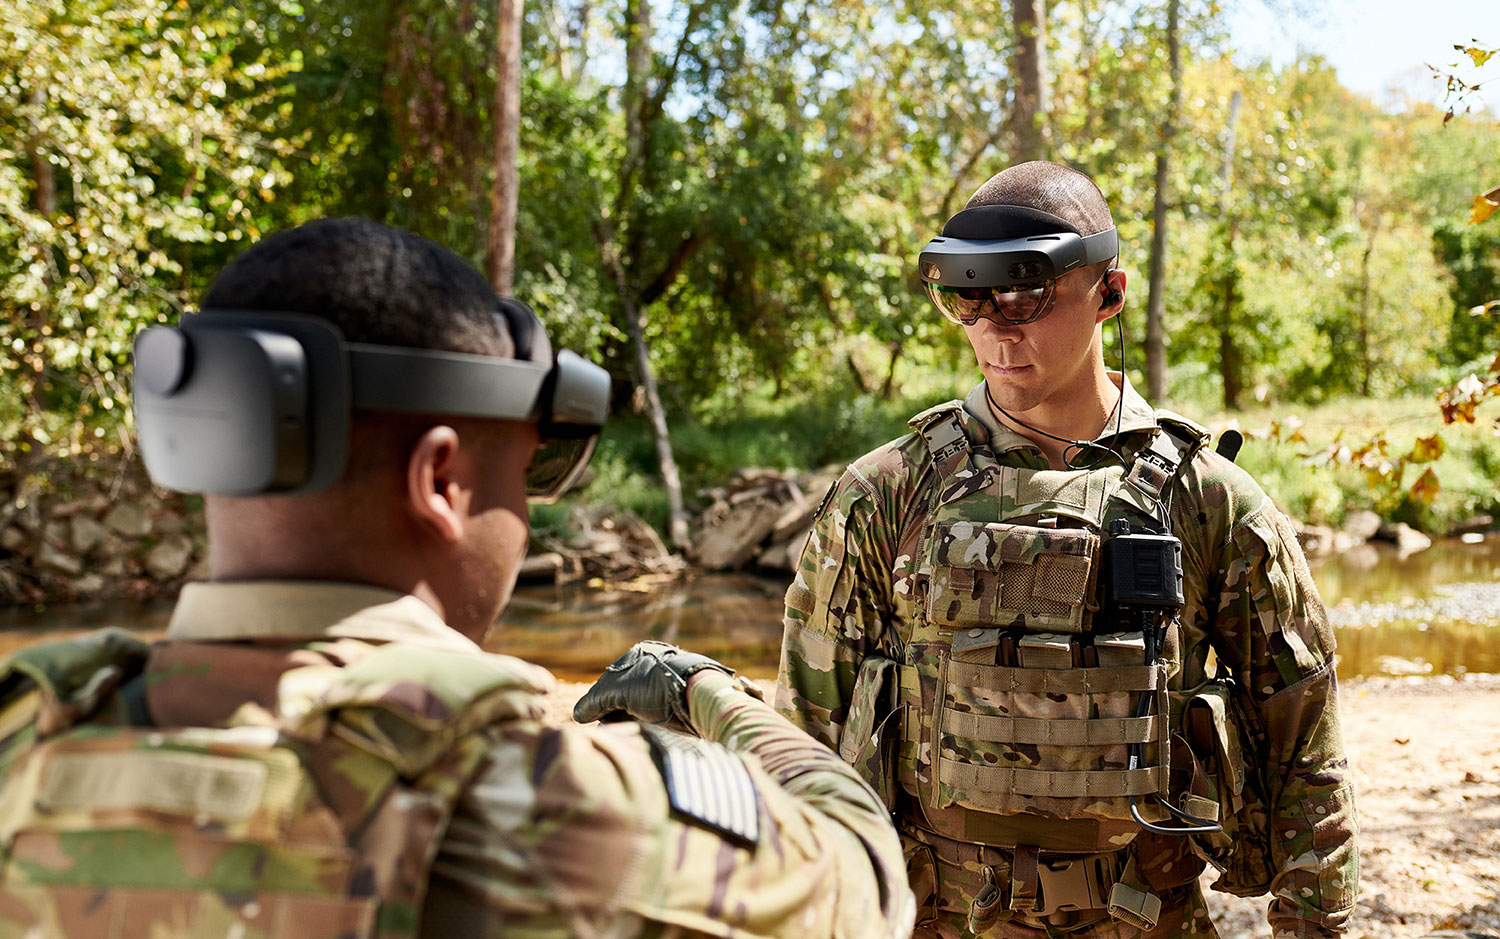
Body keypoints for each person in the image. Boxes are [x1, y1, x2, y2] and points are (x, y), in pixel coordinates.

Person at [0, 218, 915, 938]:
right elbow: (864, 874)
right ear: (440, 480)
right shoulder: (526, 794)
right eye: (527, 476)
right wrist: (712, 692)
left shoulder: (25, 739)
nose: (527, 518)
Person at [775, 162, 1358, 937]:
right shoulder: (887, 493)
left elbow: (1306, 756)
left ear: (1109, 294)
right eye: (967, 296)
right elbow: (803, 744)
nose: (994, 327)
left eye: (1025, 293)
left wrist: (1315, 926)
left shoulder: (1209, 499)